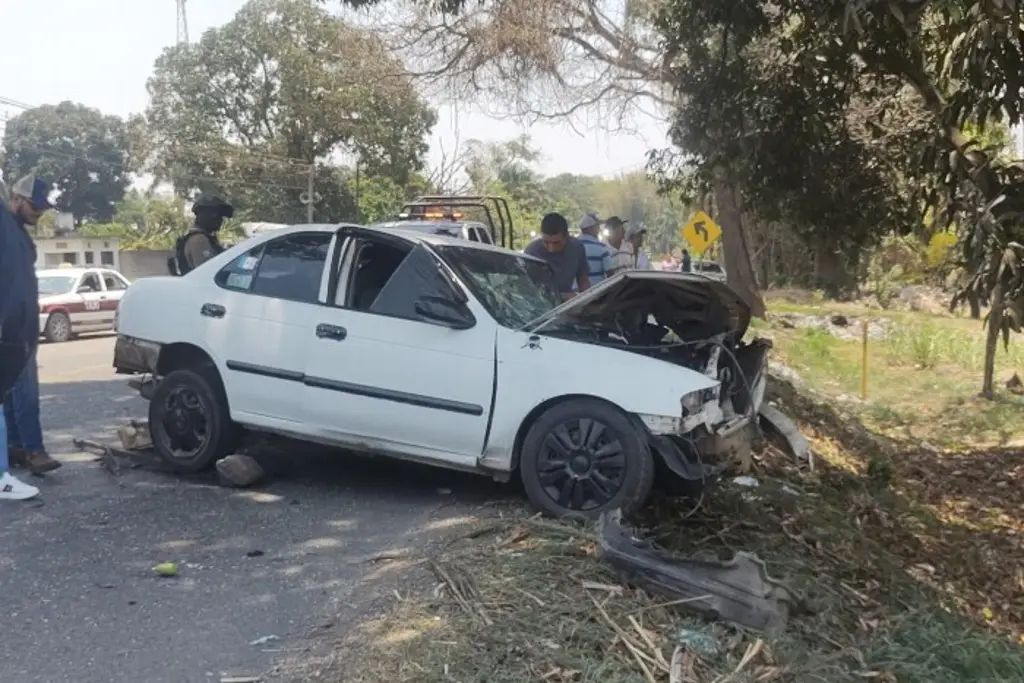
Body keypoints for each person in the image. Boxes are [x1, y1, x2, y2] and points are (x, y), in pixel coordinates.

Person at [0, 176, 55, 500]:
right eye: (35, 206)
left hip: (21, 325)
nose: (39, 213)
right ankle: (34, 451)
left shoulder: (18, 232)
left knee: (9, 393)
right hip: (12, 327)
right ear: (16, 198)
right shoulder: (4, 225)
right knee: (25, 392)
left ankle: (17, 447)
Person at [524, 213, 590, 299]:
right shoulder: (531, 252)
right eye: (546, 242)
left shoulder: (577, 247)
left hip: (568, 304)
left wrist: (586, 300)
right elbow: (526, 288)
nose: (551, 248)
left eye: (556, 243)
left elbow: (583, 280)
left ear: (567, 236)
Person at [172, 195, 234, 274]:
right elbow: (209, 273)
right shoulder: (199, 240)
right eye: (215, 214)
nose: (220, 220)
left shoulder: (199, 238)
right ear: (203, 214)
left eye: (221, 216)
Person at [577, 212, 615, 285]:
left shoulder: (572, 246)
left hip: (576, 295)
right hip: (597, 292)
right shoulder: (601, 248)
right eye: (597, 226)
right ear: (590, 228)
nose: (599, 229)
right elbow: (610, 274)